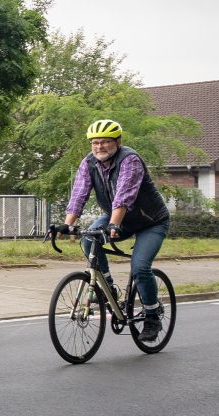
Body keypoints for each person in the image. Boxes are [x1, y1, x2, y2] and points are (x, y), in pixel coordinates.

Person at [59, 119, 170, 342]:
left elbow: (123, 196)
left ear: (118, 142)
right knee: (89, 239)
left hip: (150, 221)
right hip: (117, 218)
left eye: (105, 142)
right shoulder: (89, 163)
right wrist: (67, 225)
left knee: (139, 268)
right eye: (95, 143)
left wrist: (114, 224)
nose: (99, 147)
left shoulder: (130, 160)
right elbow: (79, 194)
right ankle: (109, 288)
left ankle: (151, 315)